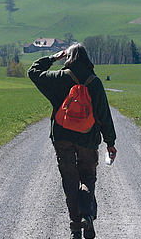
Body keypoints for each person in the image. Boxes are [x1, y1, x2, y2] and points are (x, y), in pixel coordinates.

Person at [28, 43, 117, 239]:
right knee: (88, 178)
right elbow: (104, 115)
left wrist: (53, 58)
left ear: (67, 57)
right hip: (88, 139)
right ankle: (87, 215)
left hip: (62, 137)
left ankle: (75, 228)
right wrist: (110, 142)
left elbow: (33, 72)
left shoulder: (58, 78)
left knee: (70, 181)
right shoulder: (94, 82)